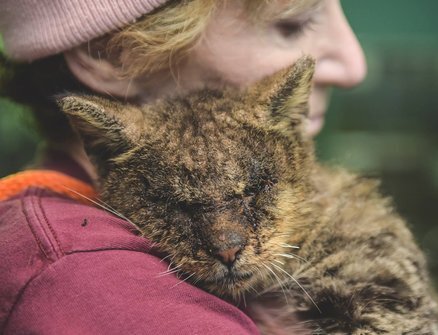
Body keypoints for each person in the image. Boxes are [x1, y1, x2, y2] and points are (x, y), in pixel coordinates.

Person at [0, 0, 366, 333]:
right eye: (293, 24)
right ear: (112, 53)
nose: (354, 65)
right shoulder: (94, 283)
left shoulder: (45, 221)